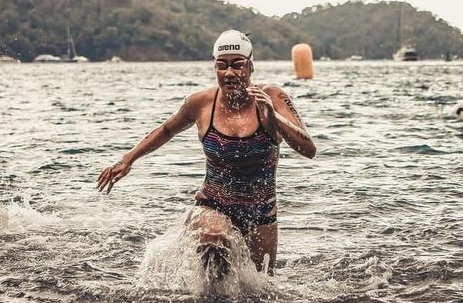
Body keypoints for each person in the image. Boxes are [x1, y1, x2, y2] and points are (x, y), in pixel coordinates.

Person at [97, 30, 316, 276]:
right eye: (221, 66)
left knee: (261, 288)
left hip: (261, 212)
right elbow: (167, 129)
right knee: (214, 238)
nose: (230, 73)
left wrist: (273, 117)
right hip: (213, 204)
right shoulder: (200, 103)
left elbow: (309, 149)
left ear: (251, 66)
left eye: (237, 65)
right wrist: (128, 159)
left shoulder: (272, 97)